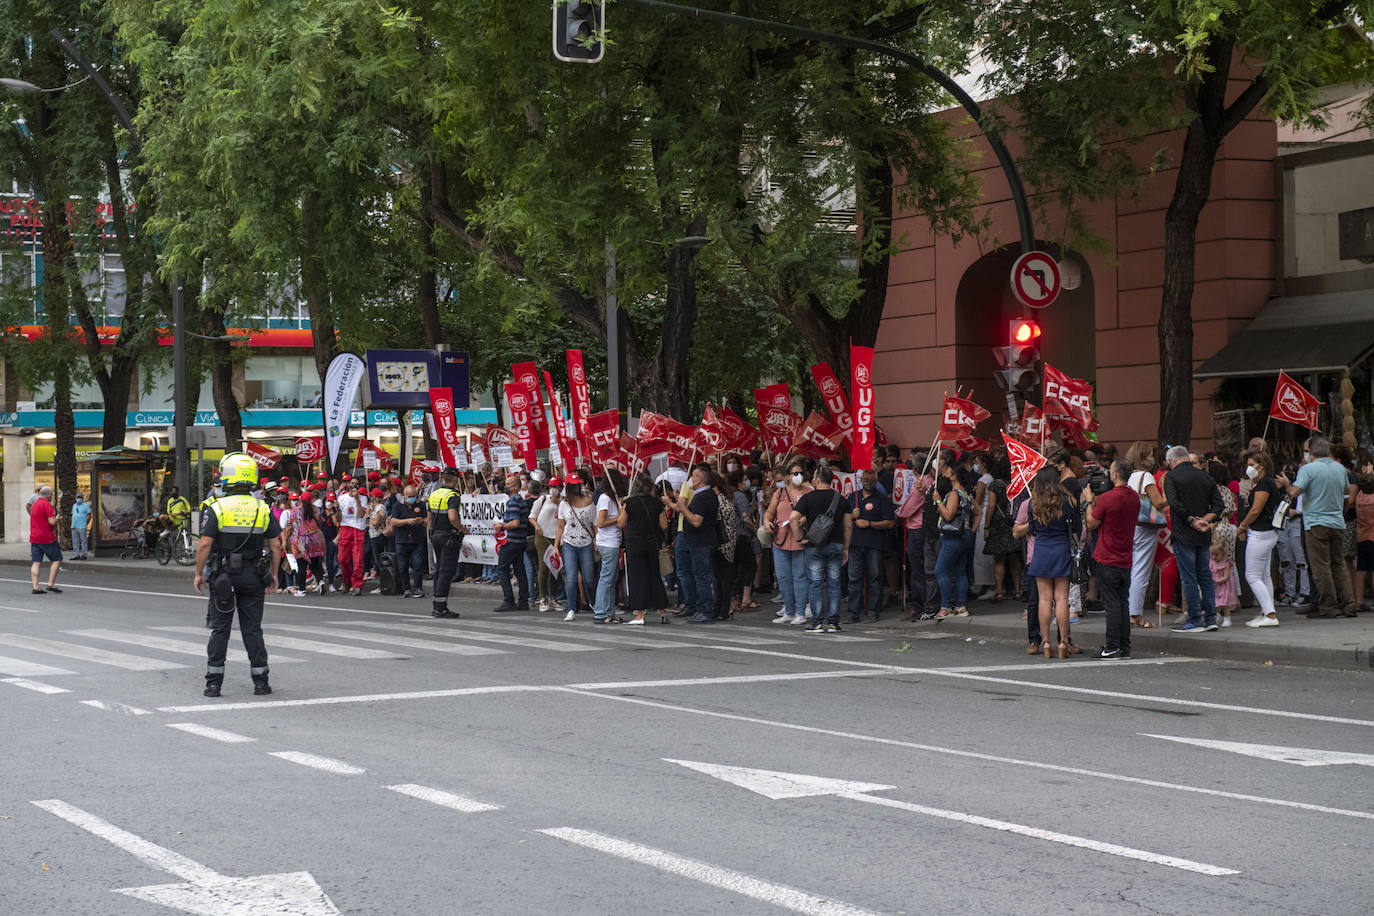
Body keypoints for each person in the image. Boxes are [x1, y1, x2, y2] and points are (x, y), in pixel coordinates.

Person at [192, 452, 281, 697]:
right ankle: (261, 682)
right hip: (254, 576)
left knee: (220, 629)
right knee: (252, 629)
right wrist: (274, 573)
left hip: (223, 577)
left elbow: (204, 544)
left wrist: (199, 573)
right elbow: (275, 545)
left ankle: (213, 684)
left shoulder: (217, 507)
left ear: (226, 476)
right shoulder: (262, 508)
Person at [1278, 436, 1356, 619]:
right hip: (1337, 522)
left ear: (1311, 453)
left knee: (1321, 567)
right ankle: (1349, 604)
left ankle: (1327, 606)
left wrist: (1286, 484)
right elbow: (1346, 497)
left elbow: (1294, 493)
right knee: (1338, 564)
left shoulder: (1308, 469)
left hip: (1315, 523)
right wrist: (1340, 515)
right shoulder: (1340, 468)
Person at [1017, 466, 1080, 658]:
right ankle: (1063, 642)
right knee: (1062, 598)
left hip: (1041, 549)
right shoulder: (1067, 500)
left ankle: (1045, 643)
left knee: (1044, 599)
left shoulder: (1033, 502)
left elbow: (1033, 528)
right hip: (1061, 548)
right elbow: (1076, 525)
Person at [1163, 444, 1225, 632]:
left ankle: (1195, 619)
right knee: (1205, 576)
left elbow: (1174, 503)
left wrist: (1192, 520)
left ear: (1172, 461)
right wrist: (1205, 520)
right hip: (1203, 534)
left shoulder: (1171, 477)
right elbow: (1218, 505)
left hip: (1183, 533)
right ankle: (1211, 618)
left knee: (1189, 577)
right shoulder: (1205, 476)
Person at [1084, 459, 1140, 658]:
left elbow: (1091, 523)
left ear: (1115, 474)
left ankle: (1113, 645)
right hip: (1125, 556)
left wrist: (1090, 501)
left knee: (1112, 604)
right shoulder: (1134, 497)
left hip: (1107, 556)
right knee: (1122, 602)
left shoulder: (1107, 498)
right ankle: (1124, 645)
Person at [789, 466, 852, 633]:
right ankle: (833, 622)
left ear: (816, 480)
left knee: (816, 584)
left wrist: (798, 538)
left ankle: (817, 622)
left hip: (814, 546)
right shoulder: (842, 499)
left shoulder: (808, 498)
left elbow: (793, 518)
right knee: (834, 584)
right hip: (836, 545)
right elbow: (848, 526)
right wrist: (845, 548)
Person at [665, 464, 721, 624]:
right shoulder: (703, 495)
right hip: (699, 541)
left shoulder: (703, 497)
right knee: (700, 575)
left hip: (701, 542)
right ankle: (701, 608)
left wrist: (683, 508)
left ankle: (706, 610)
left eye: (694, 475)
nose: (690, 479)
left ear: (700, 479)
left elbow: (696, 521)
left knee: (702, 577)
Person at [1123, 441, 1168, 628]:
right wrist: (1168, 493)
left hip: (1130, 525)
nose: (1152, 458)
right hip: (1146, 526)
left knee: (1132, 568)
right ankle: (1135, 613)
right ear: (1142, 458)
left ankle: (1129, 611)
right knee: (1141, 570)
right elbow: (1158, 503)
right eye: (1149, 455)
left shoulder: (1129, 477)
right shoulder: (1146, 476)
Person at [763, 460, 812, 625]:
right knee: (783, 577)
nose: (797, 476)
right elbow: (769, 512)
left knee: (799, 576)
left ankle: (800, 611)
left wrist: (801, 521)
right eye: (794, 473)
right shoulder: (780, 493)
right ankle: (789, 611)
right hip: (780, 540)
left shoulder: (809, 492)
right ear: (788, 477)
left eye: (800, 473)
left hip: (800, 540)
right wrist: (766, 522)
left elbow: (814, 514)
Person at [1236, 450, 1281, 627]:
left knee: (1252, 576)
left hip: (1261, 533)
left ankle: (1269, 614)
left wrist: (1242, 526)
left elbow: (1256, 510)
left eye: (1251, 464)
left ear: (1260, 465)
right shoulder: (1262, 483)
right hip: (1266, 532)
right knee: (1263, 575)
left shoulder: (1263, 484)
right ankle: (1266, 610)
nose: (1248, 468)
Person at [619, 473, 671, 624]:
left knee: (637, 578)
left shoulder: (629, 502)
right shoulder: (657, 502)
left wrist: (622, 508)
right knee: (655, 576)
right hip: (652, 543)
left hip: (635, 544)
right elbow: (664, 525)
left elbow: (621, 523)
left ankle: (640, 614)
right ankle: (662, 612)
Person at [847, 467, 894, 623]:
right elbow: (843, 520)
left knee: (874, 578)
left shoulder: (882, 499)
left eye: (872, 480)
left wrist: (869, 523)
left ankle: (873, 611)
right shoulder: (852, 497)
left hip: (874, 544)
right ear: (860, 480)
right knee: (854, 579)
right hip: (855, 544)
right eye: (866, 479)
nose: (869, 482)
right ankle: (853, 612)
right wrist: (851, 516)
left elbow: (889, 523)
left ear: (876, 480)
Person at [933, 457, 976, 620]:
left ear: (954, 475)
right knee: (960, 572)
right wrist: (971, 529)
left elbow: (949, 515)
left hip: (952, 537)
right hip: (965, 535)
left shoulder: (954, 493)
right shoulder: (966, 493)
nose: (946, 471)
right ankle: (961, 605)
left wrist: (938, 500)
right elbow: (977, 512)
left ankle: (946, 606)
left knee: (941, 569)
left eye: (950, 469)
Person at [896, 457, 935, 621]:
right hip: (922, 529)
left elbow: (907, 510)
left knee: (918, 571)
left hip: (917, 529)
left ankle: (921, 607)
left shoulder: (922, 484)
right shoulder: (930, 481)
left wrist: (899, 510)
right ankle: (924, 605)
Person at [556, 473, 597, 621]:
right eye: (573, 485)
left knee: (588, 578)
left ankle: (592, 601)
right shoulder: (563, 505)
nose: (576, 487)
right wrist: (556, 546)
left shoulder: (589, 502)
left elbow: (595, 525)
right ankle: (571, 608)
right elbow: (560, 526)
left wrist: (597, 542)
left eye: (577, 484)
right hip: (569, 545)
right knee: (572, 578)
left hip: (587, 544)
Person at [426, 467, 465, 618]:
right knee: (446, 572)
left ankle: (437, 604)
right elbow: (453, 517)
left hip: (435, 535)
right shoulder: (453, 496)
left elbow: (429, 519)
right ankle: (441, 608)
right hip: (448, 536)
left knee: (439, 569)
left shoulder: (434, 494)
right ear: (455, 479)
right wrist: (463, 529)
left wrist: (432, 533)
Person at [495, 472, 532, 612]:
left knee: (502, 569)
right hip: (520, 541)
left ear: (516, 487)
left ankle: (509, 600)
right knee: (519, 570)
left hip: (512, 541)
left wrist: (502, 526)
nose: (505, 486)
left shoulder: (514, 501)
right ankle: (523, 601)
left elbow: (515, 523)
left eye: (509, 484)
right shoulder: (519, 500)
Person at [589, 472, 623, 622]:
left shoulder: (612, 499)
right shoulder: (605, 499)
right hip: (608, 543)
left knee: (611, 578)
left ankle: (609, 612)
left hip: (612, 542)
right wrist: (619, 518)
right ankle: (601, 612)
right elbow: (601, 523)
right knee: (607, 578)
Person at [282, 494, 328, 596]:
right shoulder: (317, 510)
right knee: (315, 564)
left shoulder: (295, 511)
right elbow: (320, 523)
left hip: (301, 540)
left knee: (301, 565)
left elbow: (292, 526)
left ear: (300, 500)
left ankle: (302, 589)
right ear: (311, 499)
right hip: (317, 539)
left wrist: (285, 539)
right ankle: (321, 581)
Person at [389, 485, 428, 599]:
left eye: (414, 496)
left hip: (417, 540)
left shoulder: (420, 505)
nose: (412, 498)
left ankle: (417, 588)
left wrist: (421, 520)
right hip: (402, 540)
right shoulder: (397, 506)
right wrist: (407, 521)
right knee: (402, 566)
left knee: (418, 564)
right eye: (410, 496)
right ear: (404, 496)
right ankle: (406, 588)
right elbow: (393, 521)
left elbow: (427, 520)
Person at [530, 480, 562, 611]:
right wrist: (537, 526)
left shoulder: (564, 502)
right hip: (543, 536)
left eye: (556, 487)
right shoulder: (542, 499)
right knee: (543, 567)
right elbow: (532, 516)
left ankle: (553, 598)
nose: (553, 489)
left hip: (557, 538)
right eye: (551, 487)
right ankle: (543, 598)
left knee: (556, 568)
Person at [335, 478, 368, 596]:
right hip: (345, 528)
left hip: (358, 529)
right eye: (352, 483)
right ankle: (346, 581)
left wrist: (357, 498)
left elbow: (360, 514)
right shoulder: (342, 498)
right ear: (348, 485)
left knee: (358, 559)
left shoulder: (363, 498)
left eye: (356, 484)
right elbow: (338, 519)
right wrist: (337, 508)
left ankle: (357, 585)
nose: (354, 485)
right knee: (342, 558)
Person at [28, 485, 62, 594]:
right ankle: (51, 584)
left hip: (34, 537)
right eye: (51, 494)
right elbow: (51, 522)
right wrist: (57, 519)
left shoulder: (34, 505)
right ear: (48, 495)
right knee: (57, 559)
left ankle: (36, 586)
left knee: (36, 562)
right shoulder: (47, 505)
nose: (52, 496)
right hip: (47, 538)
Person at [70, 492, 92, 560]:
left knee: (83, 541)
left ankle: (84, 554)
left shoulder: (85, 505)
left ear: (82, 498)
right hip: (74, 525)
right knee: (75, 541)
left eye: (80, 497)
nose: (79, 499)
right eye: (78, 497)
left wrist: (86, 522)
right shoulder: (74, 505)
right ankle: (76, 555)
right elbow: (73, 514)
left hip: (82, 526)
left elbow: (89, 514)